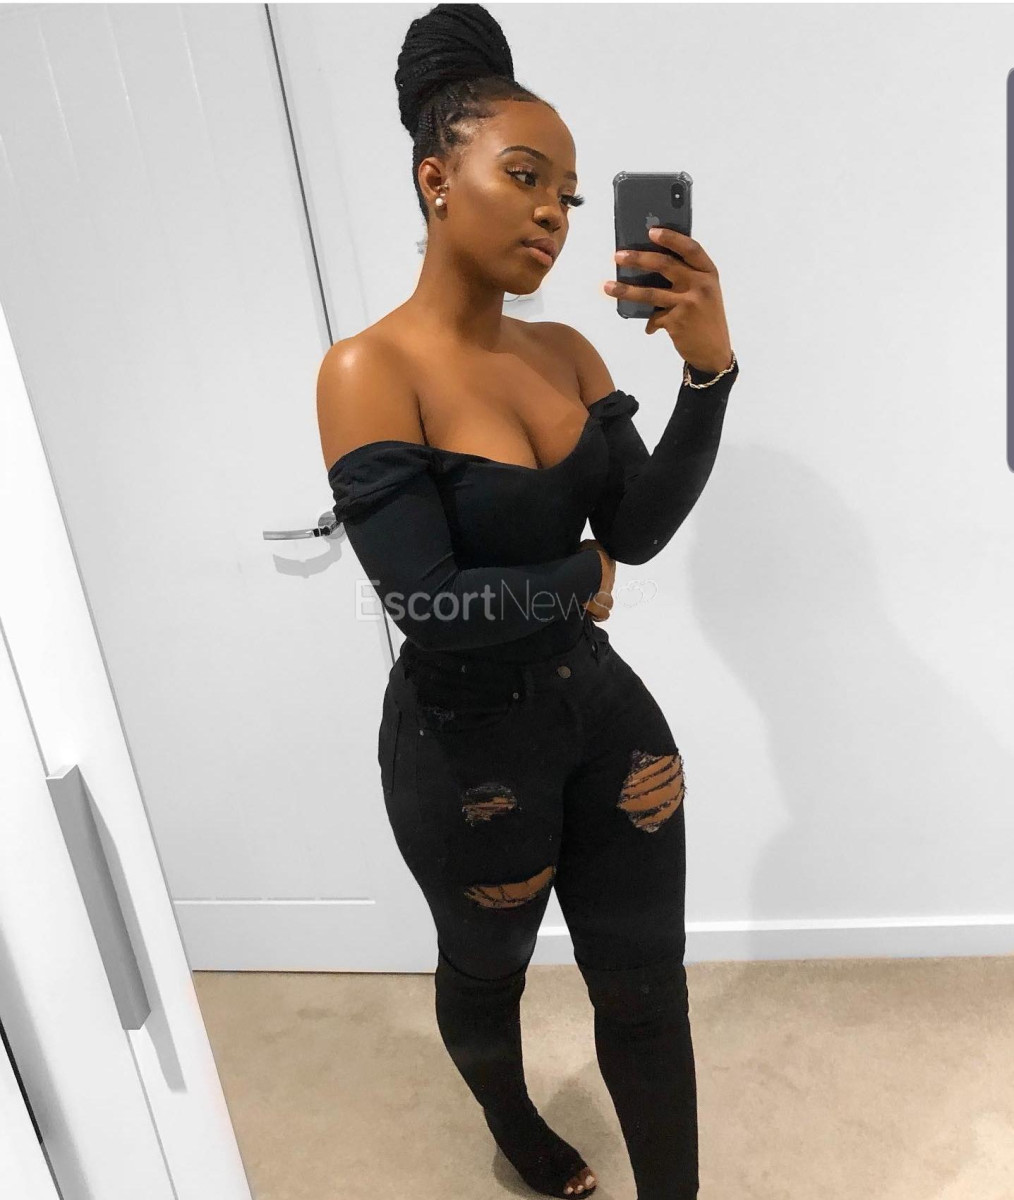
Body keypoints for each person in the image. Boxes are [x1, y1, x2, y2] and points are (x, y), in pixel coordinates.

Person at [317, 6, 739, 1197]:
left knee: (648, 987)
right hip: (464, 749)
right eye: (525, 177)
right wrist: (576, 579)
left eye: (568, 192)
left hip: (605, 720)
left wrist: (708, 370)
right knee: (488, 965)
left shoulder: (569, 355)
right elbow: (426, 601)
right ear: (435, 178)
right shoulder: (368, 370)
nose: (554, 213)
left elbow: (637, 532)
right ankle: (515, 1125)